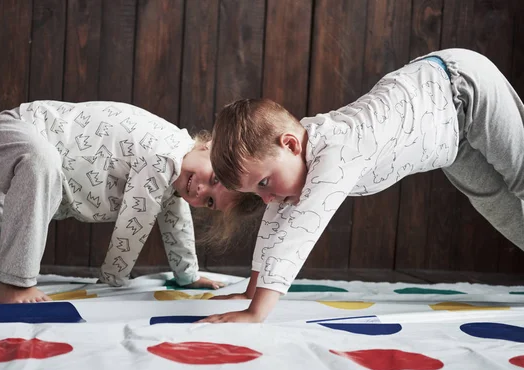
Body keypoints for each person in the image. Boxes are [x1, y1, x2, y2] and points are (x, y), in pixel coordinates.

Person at [200, 48, 524, 323]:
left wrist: (257, 312)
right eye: (257, 192)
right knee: (502, 208)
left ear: (290, 144)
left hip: (461, 89)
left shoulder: (334, 154)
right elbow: (276, 224)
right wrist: (250, 290)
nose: (268, 198)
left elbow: (299, 232)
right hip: (451, 137)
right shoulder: (294, 160)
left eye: (265, 183)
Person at [0, 100, 260, 303]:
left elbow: (176, 222)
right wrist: (112, 279)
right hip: (18, 132)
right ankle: (14, 283)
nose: (202, 192)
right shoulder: (165, 153)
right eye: (214, 179)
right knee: (43, 163)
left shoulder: (172, 182)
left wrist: (188, 275)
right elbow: (134, 224)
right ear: (209, 146)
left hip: (34, 183)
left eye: (212, 202)